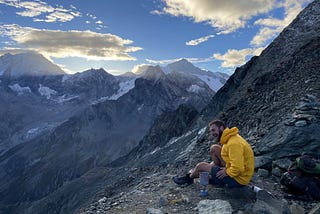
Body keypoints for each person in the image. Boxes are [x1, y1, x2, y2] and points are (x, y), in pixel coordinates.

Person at [173, 119, 254, 188]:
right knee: (214, 148)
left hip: (238, 179)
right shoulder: (230, 137)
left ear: (221, 128)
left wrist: (227, 172)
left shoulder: (233, 144)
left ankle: (189, 178)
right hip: (237, 171)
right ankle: (209, 172)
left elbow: (238, 168)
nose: (212, 133)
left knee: (200, 166)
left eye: (213, 130)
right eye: (211, 131)